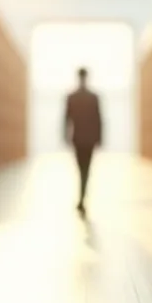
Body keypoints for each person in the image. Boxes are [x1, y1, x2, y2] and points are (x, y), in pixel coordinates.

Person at [64, 67, 102, 215]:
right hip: (88, 138)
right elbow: (99, 119)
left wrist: (66, 136)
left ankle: (81, 198)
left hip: (78, 138)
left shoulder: (72, 97)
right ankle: (82, 198)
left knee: (82, 169)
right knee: (85, 169)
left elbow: (66, 119)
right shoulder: (93, 97)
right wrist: (99, 138)